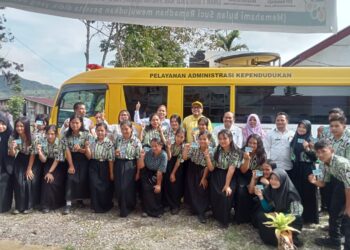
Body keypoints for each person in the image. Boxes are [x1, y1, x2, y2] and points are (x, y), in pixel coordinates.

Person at [310, 139, 350, 250]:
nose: (320, 155)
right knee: (334, 210)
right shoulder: (324, 163)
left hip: (347, 186)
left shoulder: (342, 163)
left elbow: (348, 186)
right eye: (317, 152)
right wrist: (313, 181)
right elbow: (323, 183)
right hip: (341, 184)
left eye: (323, 151)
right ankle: (335, 240)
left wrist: (348, 207)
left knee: (347, 215)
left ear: (331, 150)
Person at [254, 168, 303, 246]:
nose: (273, 181)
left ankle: (288, 238)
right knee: (260, 215)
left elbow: (297, 215)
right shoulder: (271, 190)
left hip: (291, 222)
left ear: (283, 180)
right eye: (271, 179)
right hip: (278, 218)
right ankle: (280, 239)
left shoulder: (292, 194)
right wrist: (260, 196)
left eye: (277, 179)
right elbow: (268, 209)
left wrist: (279, 215)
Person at [208, 129, 240, 227]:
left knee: (225, 195)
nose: (222, 141)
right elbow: (211, 168)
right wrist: (207, 157)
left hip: (229, 175)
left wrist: (227, 185)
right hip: (217, 173)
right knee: (214, 194)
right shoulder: (216, 150)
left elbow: (231, 169)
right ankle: (216, 215)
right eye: (220, 139)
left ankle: (224, 219)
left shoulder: (235, 151)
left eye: (225, 138)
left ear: (230, 138)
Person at [62, 115, 93, 214]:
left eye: (77, 123)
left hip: (84, 159)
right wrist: (71, 165)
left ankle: (80, 200)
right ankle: (68, 203)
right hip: (72, 159)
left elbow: (89, 155)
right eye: (72, 123)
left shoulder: (87, 135)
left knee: (82, 179)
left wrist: (81, 149)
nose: (74, 125)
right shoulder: (66, 136)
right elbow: (67, 151)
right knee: (71, 178)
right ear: (69, 124)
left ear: (81, 124)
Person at [289, 120, 318, 224]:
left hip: (308, 169)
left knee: (308, 193)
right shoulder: (295, 138)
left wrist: (307, 149)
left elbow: (316, 158)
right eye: (299, 127)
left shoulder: (311, 140)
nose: (301, 129)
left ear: (308, 129)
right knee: (297, 192)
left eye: (304, 127)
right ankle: (297, 216)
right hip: (296, 168)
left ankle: (309, 218)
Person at [182, 131, 213, 223]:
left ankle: (202, 211)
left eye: (205, 139)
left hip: (203, 170)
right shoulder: (195, 147)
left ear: (209, 141)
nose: (202, 141)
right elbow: (184, 158)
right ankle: (194, 208)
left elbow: (208, 166)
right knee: (192, 188)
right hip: (192, 168)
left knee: (201, 189)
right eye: (200, 139)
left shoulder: (211, 150)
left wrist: (204, 178)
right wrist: (186, 149)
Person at [114, 120, 142, 217]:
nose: (124, 131)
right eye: (122, 129)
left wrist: (138, 172)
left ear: (131, 129)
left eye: (126, 129)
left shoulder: (136, 141)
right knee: (119, 187)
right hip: (119, 164)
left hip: (130, 165)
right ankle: (122, 206)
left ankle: (128, 207)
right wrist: (115, 153)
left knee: (126, 187)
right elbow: (114, 150)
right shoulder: (118, 139)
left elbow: (138, 157)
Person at [235, 134, 266, 223]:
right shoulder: (242, 152)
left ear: (258, 144)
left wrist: (254, 179)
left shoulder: (262, 155)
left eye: (254, 143)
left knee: (258, 190)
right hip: (243, 175)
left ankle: (253, 216)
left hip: (256, 175)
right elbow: (243, 171)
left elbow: (262, 171)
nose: (251, 145)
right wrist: (247, 159)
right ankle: (241, 217)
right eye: (250, 142)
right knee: (241, 191)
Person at [8, 117, 36, 214]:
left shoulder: (32, 137)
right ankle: (18, 206)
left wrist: (29, 169)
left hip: (32, 160)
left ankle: (29, 206)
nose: (19, 128)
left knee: (28, 181)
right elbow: (12, 154)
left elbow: (33, 153)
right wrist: (12, 148)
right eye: (17, 126)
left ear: (26, 126)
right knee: (18, 182)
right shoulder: (14, 137)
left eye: (21, 126)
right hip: (20, 158)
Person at [37, 125, 66, 213]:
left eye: (52, 134)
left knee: (52, 180)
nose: (50, 136)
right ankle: (45, 205)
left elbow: (57, 160)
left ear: (56, 134)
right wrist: (39, 152)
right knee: (46, 180)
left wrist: (50, 172)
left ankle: (55, 203)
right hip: (47, 163)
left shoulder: (60, 142)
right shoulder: (43, 141)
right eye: (48, 134)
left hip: (58, 164)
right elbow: (44, 159)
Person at [85, 122, 114, 213]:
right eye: (98, 130)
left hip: (105, 165)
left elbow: (111, 159)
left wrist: (111, 173)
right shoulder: (92, 141)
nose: (100, 132)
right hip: (93, 165)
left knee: (104, 186)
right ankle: (95, 206)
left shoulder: (109, 143)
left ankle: (105, 206)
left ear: (106, 132)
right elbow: (89, 156)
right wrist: (87, 147)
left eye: (102, 130)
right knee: (94, 185)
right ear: (96, 131)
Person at [137, 138, 167, 218]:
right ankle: (145, 210)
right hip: (146, 171)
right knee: (145, 188)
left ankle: (156, 211)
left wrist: (158, 185)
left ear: (161, 146)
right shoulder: (148, 152)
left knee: (156, 190)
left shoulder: (164, 155)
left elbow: (160, 171)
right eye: (152, 146)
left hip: (157, 173)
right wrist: (142, 157)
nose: (153, 148)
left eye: (156, 146)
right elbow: (141, 166)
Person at [164, 128, 186, 215]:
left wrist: (173, 173)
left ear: (184, 138)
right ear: (175, 136)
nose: (179, 139)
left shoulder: (183, 147)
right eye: (178, 136)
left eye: (181, 137)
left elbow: (178, 161)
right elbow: (169, 158)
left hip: (178, 166)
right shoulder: (171, 143)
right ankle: (167, 204)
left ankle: (175, 205)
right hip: (169, 164)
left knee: (176, 186)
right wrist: (168, 148)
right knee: (167, 184)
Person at [0, 112, 14, 213]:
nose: (1, 126)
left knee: (5, 184)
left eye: (3, 124)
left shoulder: (11, 134)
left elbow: (14, 153)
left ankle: (4, 207)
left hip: (8, 164)